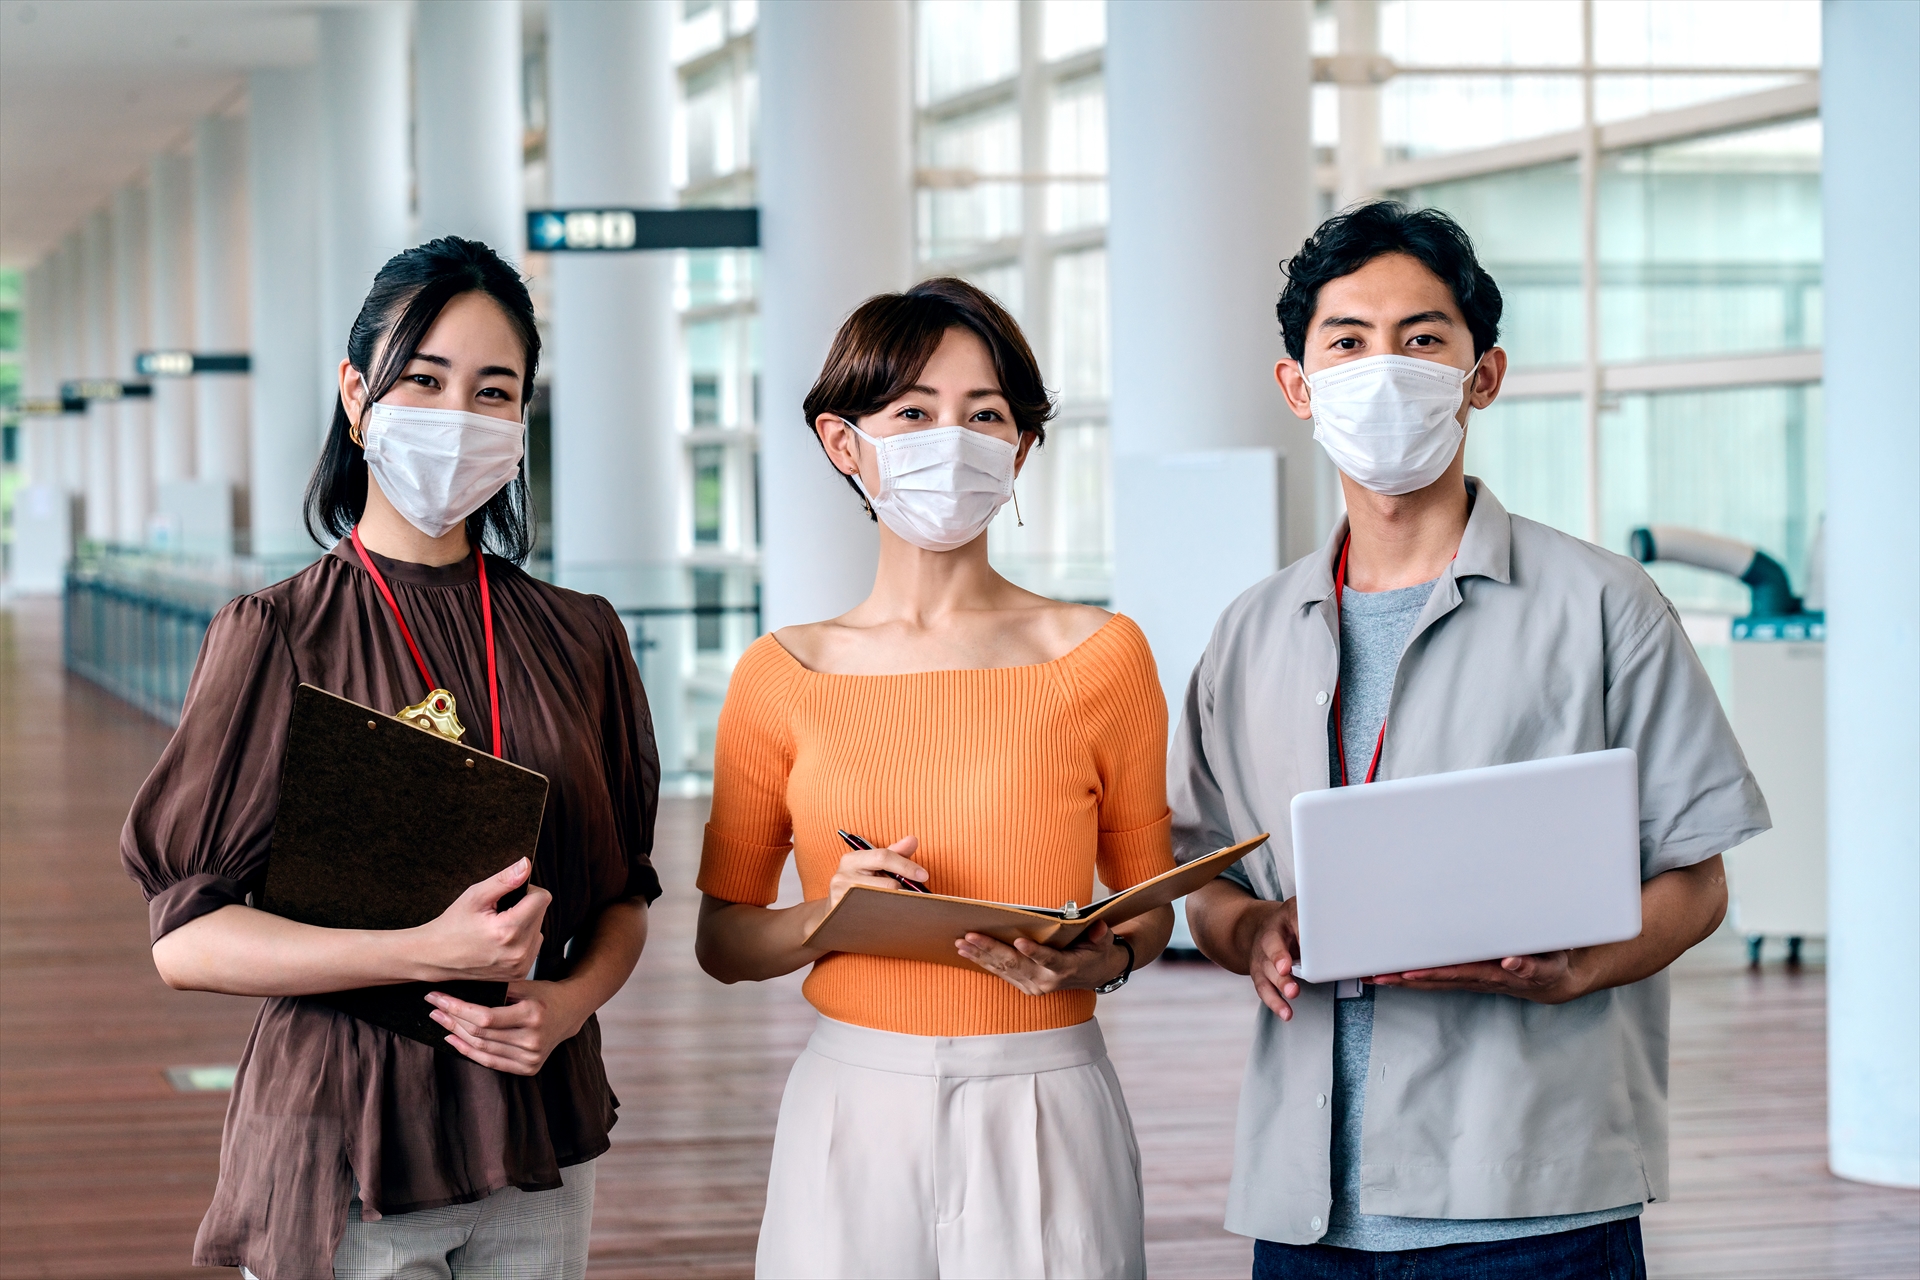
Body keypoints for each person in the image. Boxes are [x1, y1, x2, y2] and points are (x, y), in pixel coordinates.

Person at [1176, 202, 1769, 1280]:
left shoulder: (1603, 605)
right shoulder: (1250, 633)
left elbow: (1699, 880)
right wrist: (1251, 927)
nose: (1383, 367)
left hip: (1532, 1206)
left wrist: (1579, 967)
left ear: (1481, 374)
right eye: (1346, 341)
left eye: (1422, 338)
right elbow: (1202, 875)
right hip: (1305, 1213)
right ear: (1297, 386)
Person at [121, 237, 661, 1280]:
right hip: (346, 1121)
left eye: (493, 391)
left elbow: (623, 897)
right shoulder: (278, 632)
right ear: (357, 395)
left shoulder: (580, 636)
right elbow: (186, 941)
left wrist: (568, 1002)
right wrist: (424, 950)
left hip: (536, 1121)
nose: (458, 414)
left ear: (519, 421)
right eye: (424, 379)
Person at [695, 277, 1174, 1279]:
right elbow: (726, 939)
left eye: (984, 414)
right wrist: (828, 915)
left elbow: (1149, 902)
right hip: (854, 1103)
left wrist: (1100, 961)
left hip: (1048, 1096)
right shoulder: (782, 673)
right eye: (912, 411)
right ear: (844, 442)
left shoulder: (1102, 654)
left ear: (1021, 449)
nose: (949, 438)